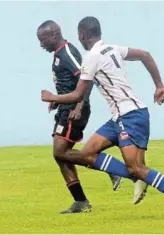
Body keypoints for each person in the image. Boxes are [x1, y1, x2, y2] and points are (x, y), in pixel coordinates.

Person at [40, 16, 164, 220]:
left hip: (131, 116)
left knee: (136, 168)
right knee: (87, 154)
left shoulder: (92, 56)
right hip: (118, 117)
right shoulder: (112, 48)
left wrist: (52, 97)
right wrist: (159, 85)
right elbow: (145, 55)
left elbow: (78, 94)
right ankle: (134, 176)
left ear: (82, 35)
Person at [37, 20, 122, 214]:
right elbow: (70, 82)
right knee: (60, 156)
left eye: (42, 40)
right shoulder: (58, 54)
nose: (41, 45)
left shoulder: (67, 52)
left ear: (53, 36)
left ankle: (109, 166)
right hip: (65, 108)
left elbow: (87, 78)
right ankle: (80, 201)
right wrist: (57, 100)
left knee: (60, 152)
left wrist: (78, 105)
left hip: (74, 110)